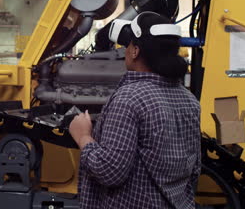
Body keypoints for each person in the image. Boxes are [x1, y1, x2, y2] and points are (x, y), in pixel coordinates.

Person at [69, 11, 201, 209]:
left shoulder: (129, 99)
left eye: (128, 44)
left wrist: (83, 136)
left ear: (135, 51)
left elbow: (110, 171)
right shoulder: (189, 100)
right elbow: (194, 169)